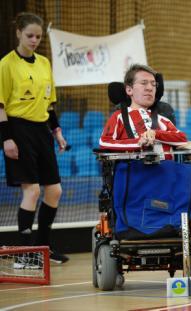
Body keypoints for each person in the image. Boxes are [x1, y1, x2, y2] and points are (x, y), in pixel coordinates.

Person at [0, 12, 69, 266]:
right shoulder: (6, 64)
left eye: (38, 36)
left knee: (55, 191)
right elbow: (1, 105)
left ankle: (43, 247)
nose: (34, 40)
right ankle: (23, 253)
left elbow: (49, 104)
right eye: (30, 35)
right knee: (31, 191)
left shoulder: (44, 63)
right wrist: (7, 139)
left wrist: (57, 131)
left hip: (42, 130)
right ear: (18, 33)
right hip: (18, 130)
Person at [99, 64, 189, 157]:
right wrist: (138, 143)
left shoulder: (162, 119)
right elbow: (104, 142)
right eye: (143, 83)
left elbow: (182, 139)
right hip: (134, 169)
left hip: (167, 169)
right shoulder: (119, 117)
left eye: (153, 84)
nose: (150, 88)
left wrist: (155, 134)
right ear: (129, 90)